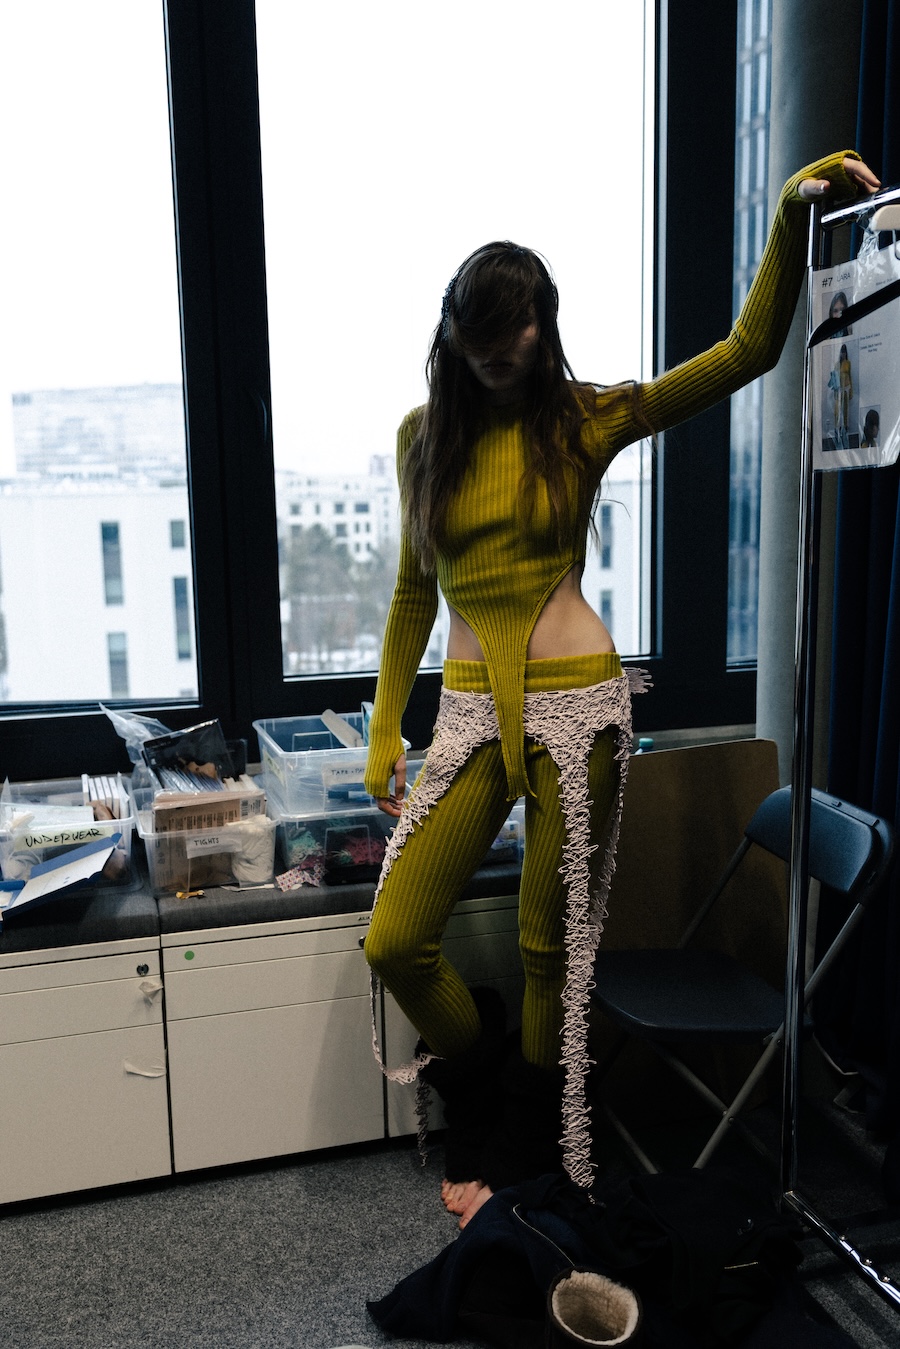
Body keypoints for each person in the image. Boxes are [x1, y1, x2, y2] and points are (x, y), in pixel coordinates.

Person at [362, 150, 880, 1230]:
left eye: (520, 332)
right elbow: (414, 594)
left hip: (579, 712)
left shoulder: (583, 418)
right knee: (397, 937)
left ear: (544, 327)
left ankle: (533, 1149)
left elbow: (743, 353)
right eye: (482, 334)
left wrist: (790, 216)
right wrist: (383, 732)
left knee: (552, 947)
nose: (503, 352)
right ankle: (486, 1088)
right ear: (452, 331)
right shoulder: (423, 437)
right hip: (468, 715)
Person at [833, 342, 853, 446]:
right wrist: (835, 392)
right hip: (839, 389)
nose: (843, 354)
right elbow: (835, 379)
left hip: (846, 389)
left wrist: (851, 391)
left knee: (846, 410)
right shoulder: (837, 364)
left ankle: (845, 428)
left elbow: (850, 376)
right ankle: (837, 429)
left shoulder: (848, 363)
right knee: (838, 410)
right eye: (842, 352)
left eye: (844, 352)